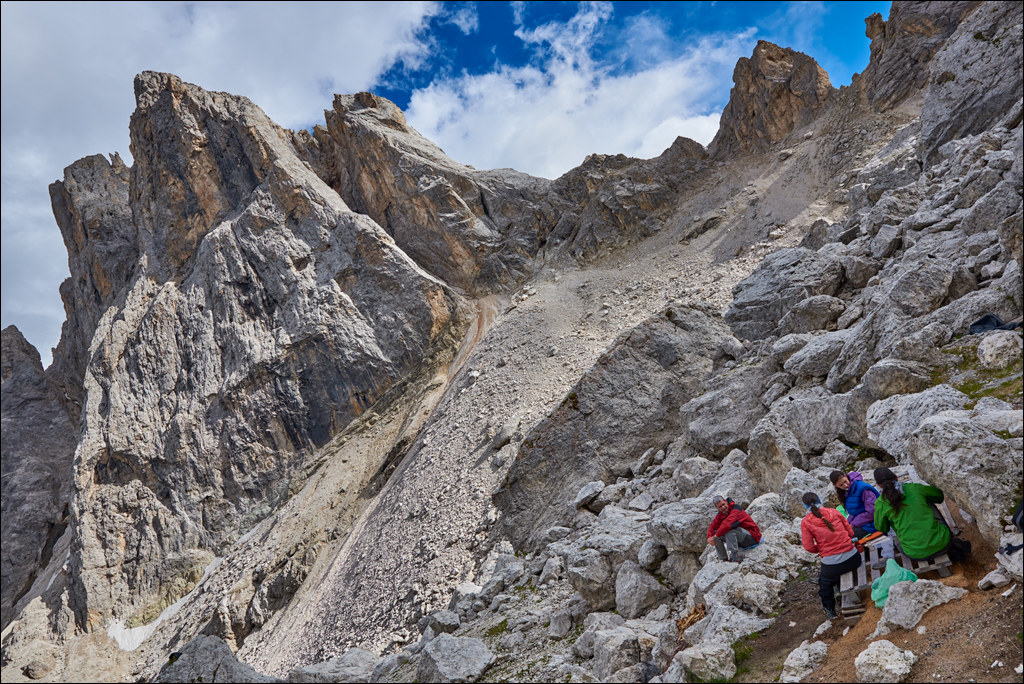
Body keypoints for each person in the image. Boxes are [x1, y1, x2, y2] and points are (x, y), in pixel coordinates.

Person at [872, 467, 971, 562]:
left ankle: (920, 545)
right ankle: (947, 543)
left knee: (895, 537)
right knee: (927, 500)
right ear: (896, 477)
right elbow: (939, 497)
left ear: (879, 485)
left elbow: (882, 528)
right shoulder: (914, 488)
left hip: (915, 553)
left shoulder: (881, 502)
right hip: (943, 544)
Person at [800, 492, 862, 620]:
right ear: (819, 499)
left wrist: (822, 549)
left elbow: (808, 547)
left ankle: (831, 611)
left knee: (824, 583)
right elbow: (850, 533)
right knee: (835, 572)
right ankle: (840, 590)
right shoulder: (834, 512)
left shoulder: (806, 522)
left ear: (804, 506)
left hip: (832, 564)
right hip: (853, 558)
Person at [706, 495, 762, 562]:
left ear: (726, 501)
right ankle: (723, 558)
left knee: (729, 529)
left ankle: (735, 557)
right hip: (741, 540)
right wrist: (709, 537)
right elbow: (712, 526)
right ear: (717, 508)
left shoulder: (736, 509)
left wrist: (714, 537)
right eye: (720, 507)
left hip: (752, 537)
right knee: (715, 532)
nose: (723, 507)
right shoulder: (721, 514)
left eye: (723, 504)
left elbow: (727, 525)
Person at [830, 470, 879, 539]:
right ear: (835, 486)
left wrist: (853, 524)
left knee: (844, 538)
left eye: (845, 481)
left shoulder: (863, 488)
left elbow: (872, 512)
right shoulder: (848, 491)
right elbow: (854, 512)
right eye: (841, 485)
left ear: (845, 476)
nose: (845, 485)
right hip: (864, 522)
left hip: (873, 523)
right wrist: (846, 524)